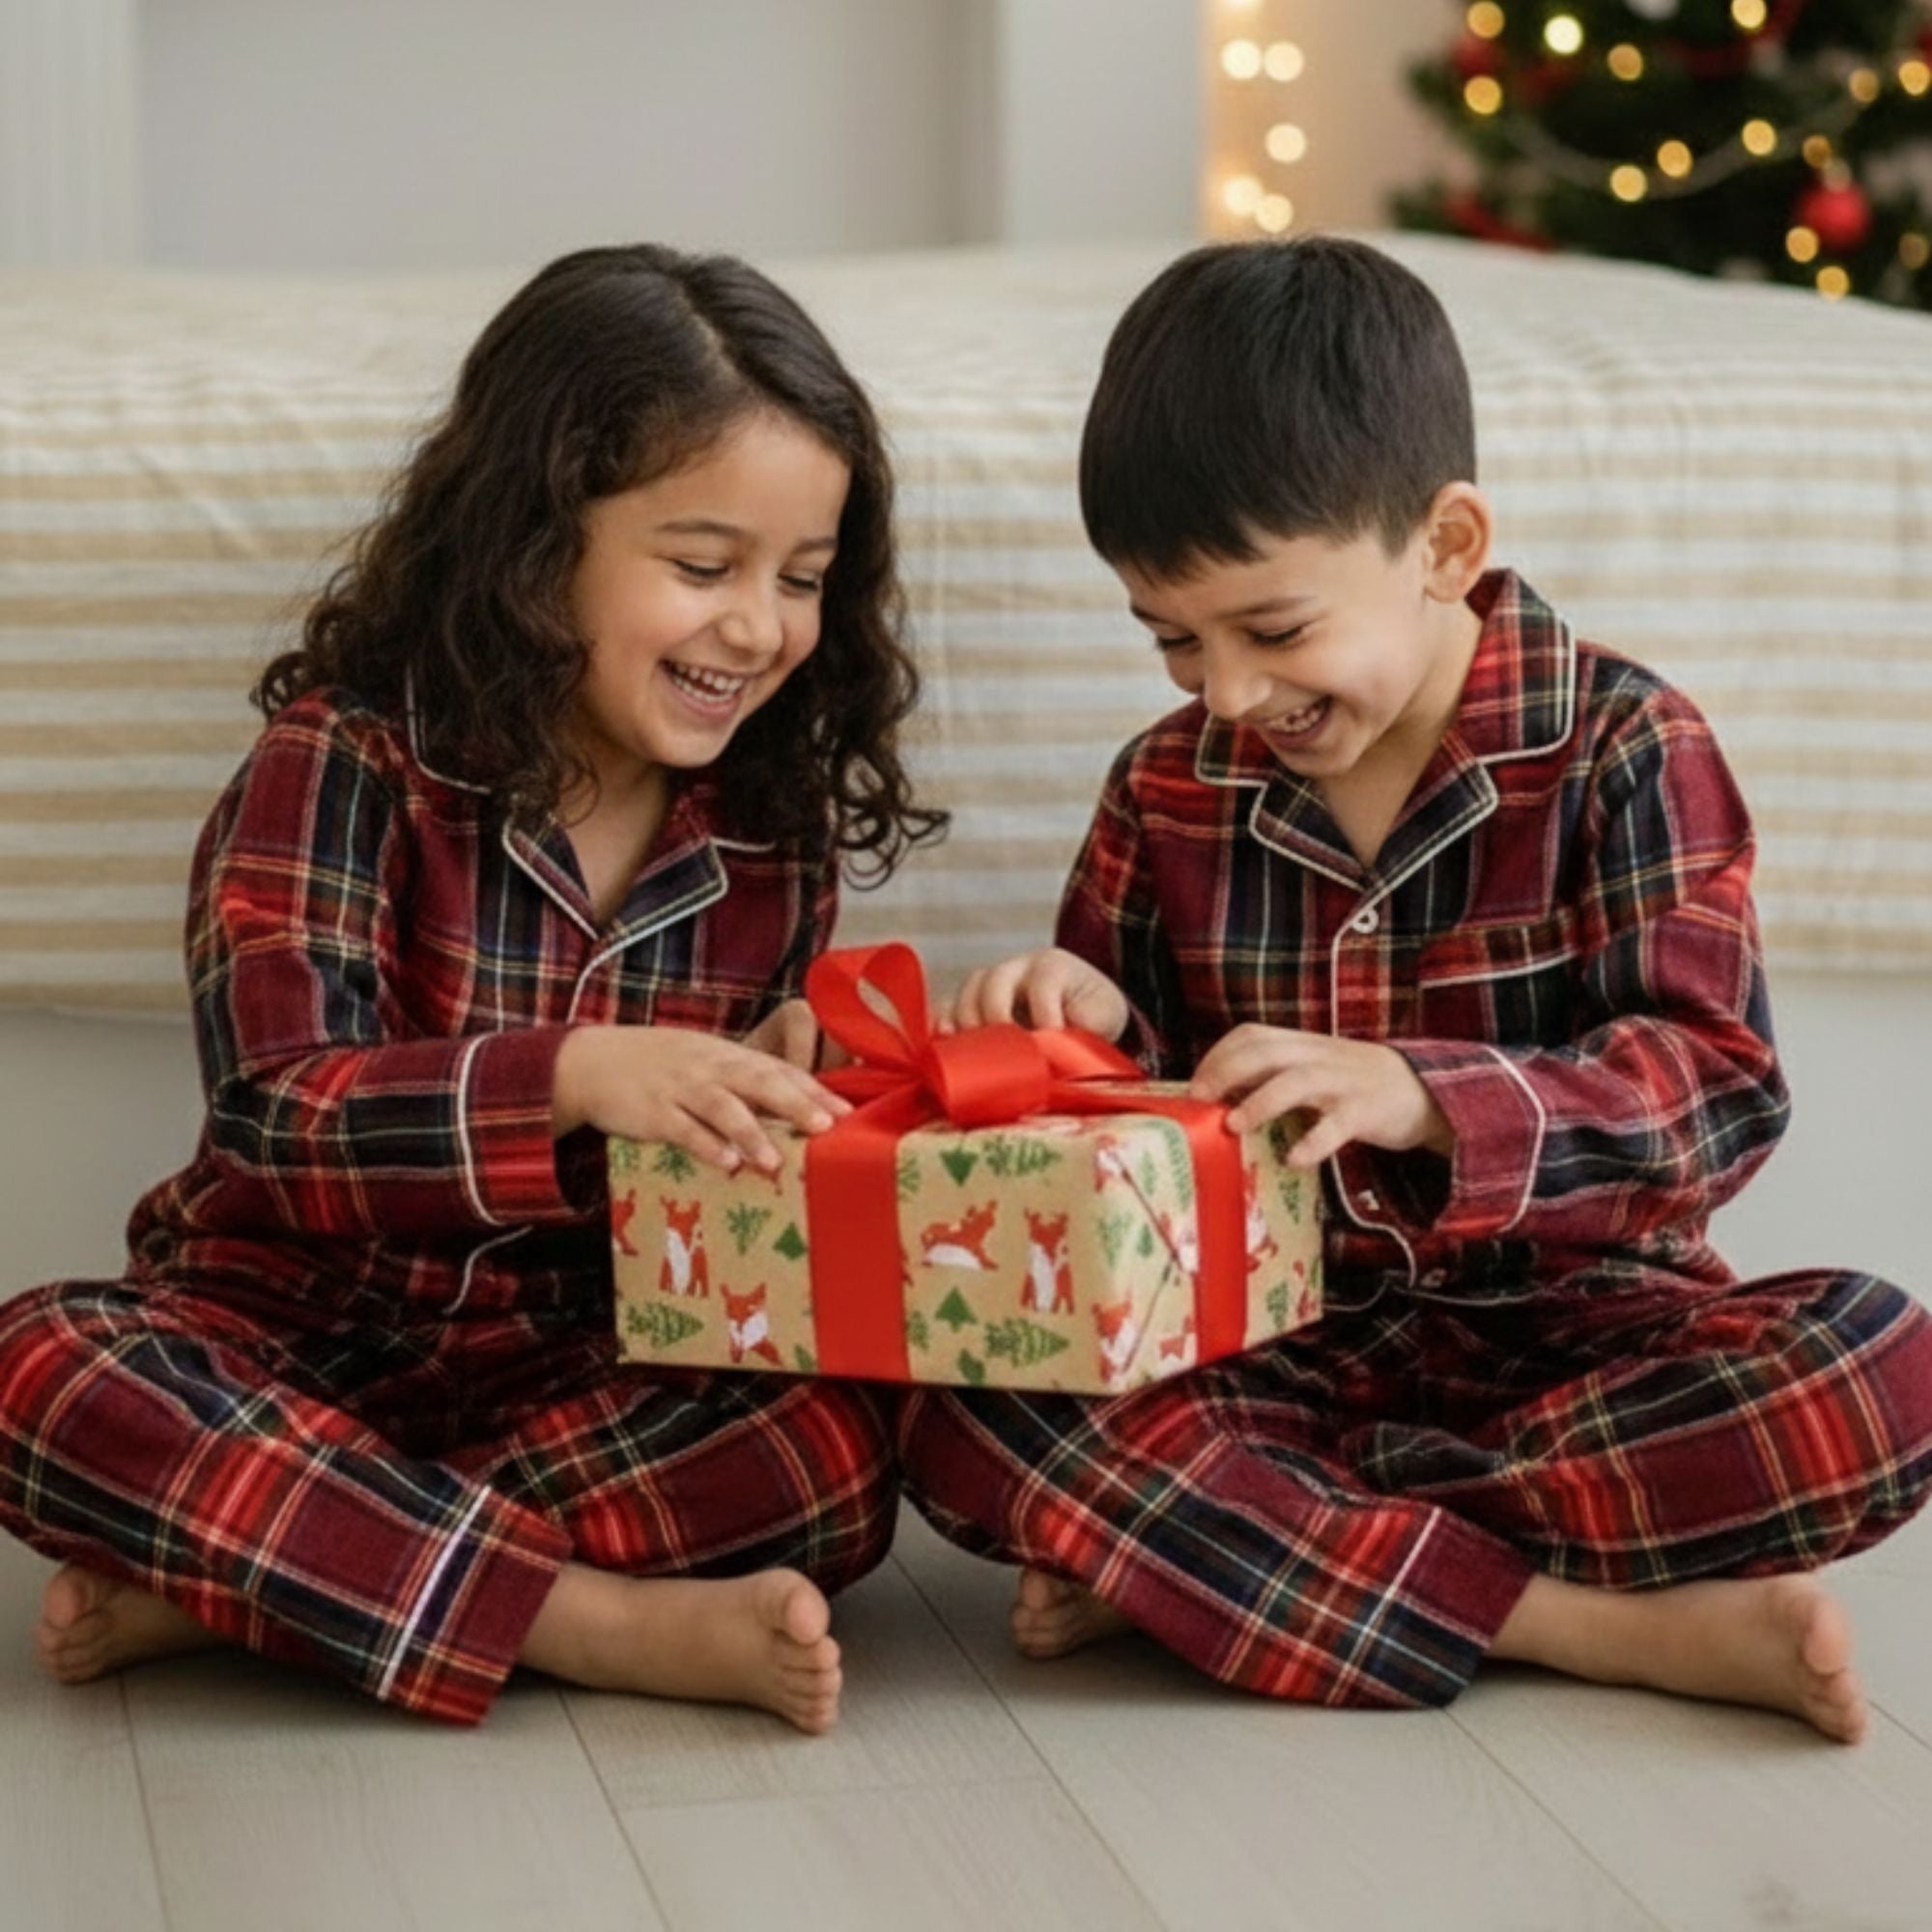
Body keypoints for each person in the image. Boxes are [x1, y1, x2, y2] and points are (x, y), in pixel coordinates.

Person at [897, 236, 1932, 1745]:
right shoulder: (1165, 786)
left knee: (1880, 1370)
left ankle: (1230, 1558)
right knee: (965, 1421)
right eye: (1174, 639)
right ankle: (1582, 1626)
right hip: (1275, 1346)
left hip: (1578, 1341)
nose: (1228, 692)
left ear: (1445, 545)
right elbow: (1113, 1165)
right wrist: (1081, 1025)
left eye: (1273, 628)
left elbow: (1715, 1089)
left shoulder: (1625, 748)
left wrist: (1432, 1099)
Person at [0, 242, 943, 1731]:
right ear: (534, 535)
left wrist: (771, 1099)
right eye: (703, 568)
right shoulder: (348, 762)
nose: (758, 626)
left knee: (832, 1453)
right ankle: (587, 1625)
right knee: (40, 1371)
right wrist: (574, 1071)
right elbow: (275, 1114)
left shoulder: (768, 830)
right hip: (291, 1331)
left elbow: (706, 1231)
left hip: (569, 1359)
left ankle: (268, 1578)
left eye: (803, 579)